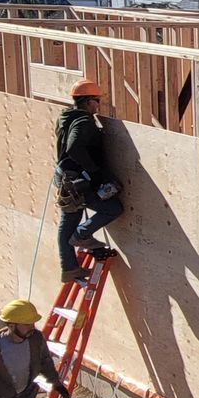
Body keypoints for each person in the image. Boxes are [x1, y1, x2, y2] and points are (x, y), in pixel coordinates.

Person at [57, 80, 123, 283]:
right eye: (96, 101)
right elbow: (74, 147)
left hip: (66, 177)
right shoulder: (83, 121)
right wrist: (94, 171)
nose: (97, 106)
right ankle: (82, 234)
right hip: (78, 181)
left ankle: (69, 269)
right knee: (113, 208)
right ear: (87, 102)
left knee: (67, 221)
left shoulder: (65, 117)